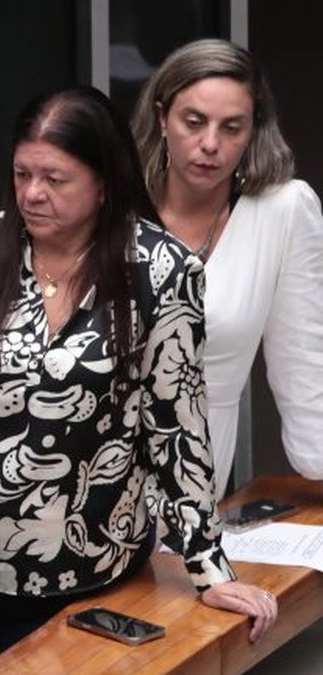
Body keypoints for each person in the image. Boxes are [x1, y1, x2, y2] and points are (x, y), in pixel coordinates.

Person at [0, 87, 278, 674]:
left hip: (87, 581)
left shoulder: (160, 272)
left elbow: (177, 427)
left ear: (103, 181)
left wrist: (208, 568)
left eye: (55, 179)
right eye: (22, 174)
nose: (33, 194)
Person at [131, 38, 323, 497]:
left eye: (232, 127)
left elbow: (302, 358)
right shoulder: (113, 204)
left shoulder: (281, 210)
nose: (210, 144)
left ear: (254, 130)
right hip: (79, 470)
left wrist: (318, 465)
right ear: (162, 117)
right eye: (194, 122)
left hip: (195, 480)